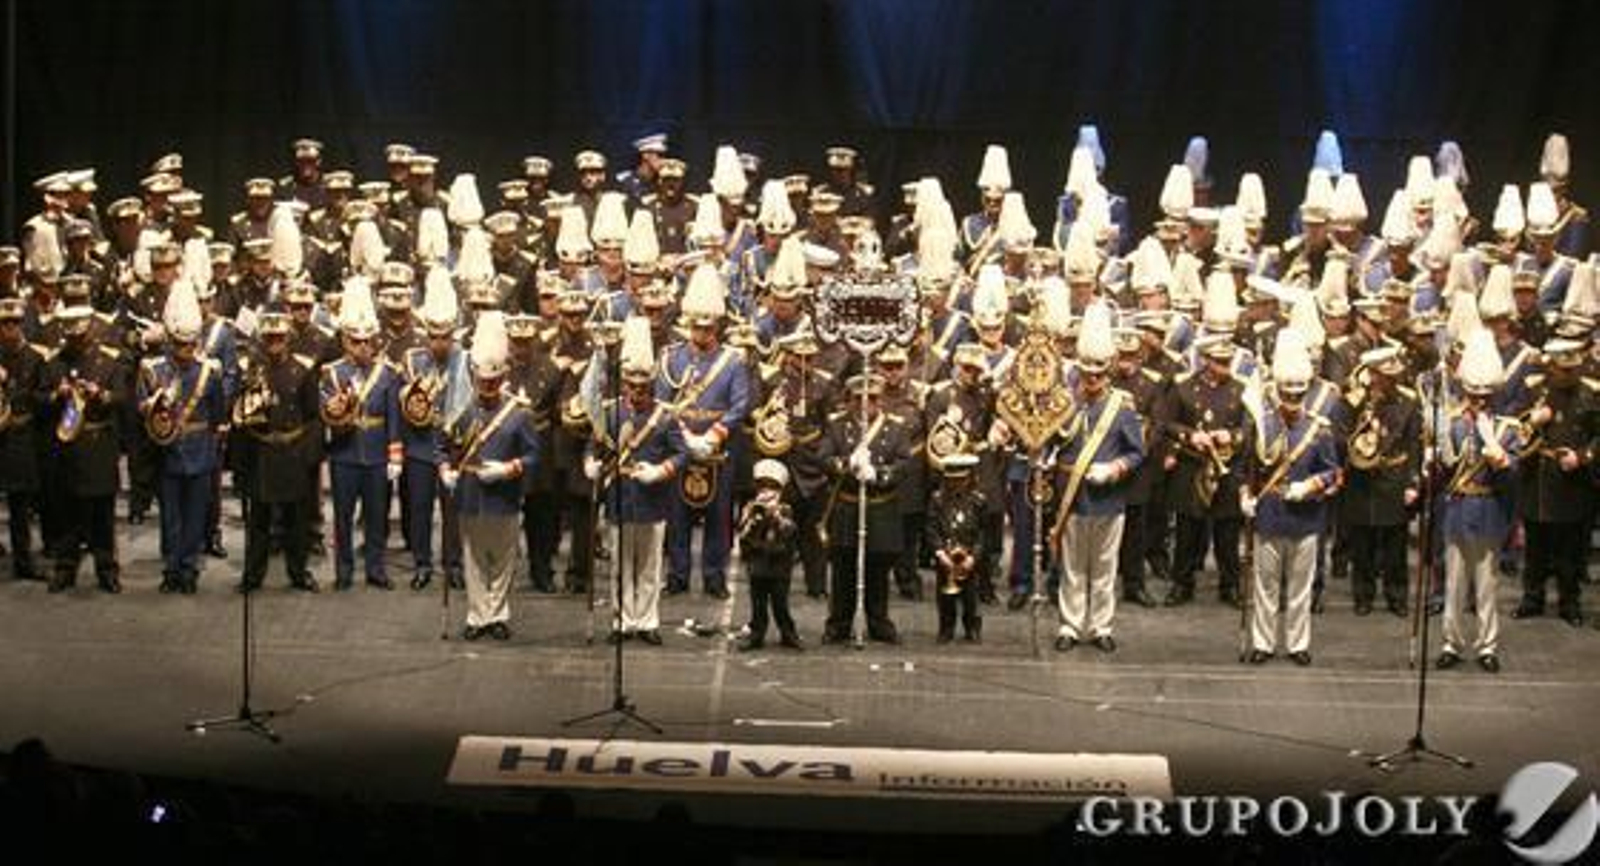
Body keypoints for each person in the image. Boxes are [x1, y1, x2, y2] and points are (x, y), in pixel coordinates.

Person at [439, 312, 540, 641]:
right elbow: (442, 447)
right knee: (473, 559)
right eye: (482, 381)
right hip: (469, 492)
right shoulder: (460, 409)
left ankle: (498, 613)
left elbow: (534, 454)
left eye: (493, 382)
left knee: (502, 559)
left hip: (504, 495)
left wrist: (509, 469)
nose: (487, 387)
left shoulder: (519, 413)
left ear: (503, 377)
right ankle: (477, 614)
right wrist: (445, 471)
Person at [1051, 302, 1145, 653]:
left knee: (1105, 569)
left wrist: (1114, 468)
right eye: (1086, 375)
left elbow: (1138, 452)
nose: (1091, 382)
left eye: (1098, 376)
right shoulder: (1066, 403)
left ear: (1108, 374)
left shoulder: (1123, 406)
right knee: (1072, 567)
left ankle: (1101, 625)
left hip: (1108, 499)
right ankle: (1070, 624)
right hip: (1072, 497)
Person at [1243, 332, 1340, 665]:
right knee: (1265, 587)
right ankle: (1263, 642)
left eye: (1299, 395)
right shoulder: (1262, 426)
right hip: (1270, 513)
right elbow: (1249, 469)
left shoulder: (1319, 429)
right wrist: (1246, 495)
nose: (1293, 402)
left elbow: (1333, 473)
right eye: (1287, 395)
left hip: (1305, 516)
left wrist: (1311, 485)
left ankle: (1298, 644)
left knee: (1300, 588)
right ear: (1277, 392)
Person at [588, 316, 684, 645]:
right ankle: (622, 620)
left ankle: (647, 620)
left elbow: (681, 453)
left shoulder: (665, 415)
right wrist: (591, 462)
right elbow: (596, 444)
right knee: (620, 566)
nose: (638, 393)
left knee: (649, 566)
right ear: (625, 383)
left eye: (644, 388)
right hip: (621, 495)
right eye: (633, 386)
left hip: (653, 499)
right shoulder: (612, 412)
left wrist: (661, 471)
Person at [658, 264, 750, 599]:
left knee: (719, 516)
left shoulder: (734, 361)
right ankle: (678, 575)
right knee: (677, 515)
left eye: (708, 329)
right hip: (681, 446)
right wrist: (685, 438)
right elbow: (662, 403)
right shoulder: (670, 358)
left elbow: (740, 406)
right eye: (697, 328)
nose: (702, 335)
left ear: (717, 326)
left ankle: (715, 576)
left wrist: (713, 435)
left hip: (719, 449)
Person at [1437, 329, 1523, 673]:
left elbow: (1514, 473)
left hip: (1488, 510)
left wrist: (1501, 458)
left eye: (1484, 397)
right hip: (1458, 509)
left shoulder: (1507, 428)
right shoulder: (1454, 424)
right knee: (1454, 584)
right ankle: (1451, 642)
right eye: (1473, 395)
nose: (1478, 402)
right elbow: (1445, 470)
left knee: (1487, 586)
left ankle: (1487, 645)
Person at [138, 279, 227, 594]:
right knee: (170, 517)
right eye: (178, 345)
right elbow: (141, 407)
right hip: (167, 450)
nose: (184, 352)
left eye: (190, 345)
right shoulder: (154, 369)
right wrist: (153, 404)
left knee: (194, 515)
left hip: (200, 450)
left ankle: (189, 568)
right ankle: (171, 568)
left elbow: (218, 414)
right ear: (169, 341)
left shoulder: (209, 372)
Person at [320, 278, 402, 591]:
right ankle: (343, 570)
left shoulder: (388, 373)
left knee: (377, 516)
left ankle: (376, 568)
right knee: (342, 517)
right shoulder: (332, 373)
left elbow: (394, 415)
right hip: (345, 453)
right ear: (344, 340)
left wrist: (395, 454)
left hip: (378, 453)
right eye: (356, 341)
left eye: (368, 341)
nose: (363, 347)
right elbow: (325, 412)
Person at [1511, 337, 1599, 627]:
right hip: (1538, 477)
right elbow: (1514, 428)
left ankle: (1569, 601)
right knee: (1536, 546)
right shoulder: (1536, 390)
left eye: (1573, 370)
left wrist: (1583, 456)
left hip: (1573, 480)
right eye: (1563, 370)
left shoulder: (1591, 394)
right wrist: (1532, 420)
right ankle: (1532, 597)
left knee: (1569, 550)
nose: (1568, 375)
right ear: (1553, 368)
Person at [819, 372, 910, 645]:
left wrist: (878, 474)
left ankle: (878, 622)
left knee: (877, 571)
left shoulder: (895, 428)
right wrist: (848, 465)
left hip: (880, 507)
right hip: (848, 506)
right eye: (859, 399)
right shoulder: (837, 426)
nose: (865, 404)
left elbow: (904, 464)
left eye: (871, 399)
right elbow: (823, 457)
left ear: (879, 400)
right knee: (844, 569)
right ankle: (839, 623)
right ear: (850, 400)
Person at [234, 311, 320, 592]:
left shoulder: (303, 370)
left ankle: (298, 572)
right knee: (258, 521)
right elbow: (240, 413)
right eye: (269, 338)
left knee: (296, 521)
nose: (275, 343)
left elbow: (312, 417)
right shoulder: (250, 370)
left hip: (293, 451)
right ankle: (252, 575)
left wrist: (311, 458)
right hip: (260, 452)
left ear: (289, 339)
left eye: (280, 338)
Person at [44, 306, 127, 593]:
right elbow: (38, 397)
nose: (77, 342)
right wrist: (58, 394)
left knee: (102, 514)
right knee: (68, 514)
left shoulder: (109, 363)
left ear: (90, 332)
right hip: (69, 447)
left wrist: (100, 395)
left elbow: (121, 397)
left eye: (81, 337)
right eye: (72, 338)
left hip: (98, 444)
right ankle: (66, 567)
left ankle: (106, 569)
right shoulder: (55, 364)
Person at [401, 270, 468, 591]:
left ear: (454, 335)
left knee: (453, 512)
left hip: (453, 447)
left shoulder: (465, 362)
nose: (439, 344)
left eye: (445, 337)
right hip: (420, 444)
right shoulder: (413, 360)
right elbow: (407, 405)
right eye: (434, 337)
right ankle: (422, 563)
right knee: (419, 509)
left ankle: (453, 564)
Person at [0, 298, 46, 581]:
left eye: (14, 323)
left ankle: (23, 560)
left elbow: (41, 397)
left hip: (20, 436)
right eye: (4, 324)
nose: (9, 329)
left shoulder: (35, 357)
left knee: (20, 504)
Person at [737, 459, 802, 652]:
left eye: (772, 487)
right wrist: (753, 518)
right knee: (758, 604)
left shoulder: (786, 509)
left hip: (779, 564)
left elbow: (791, 532)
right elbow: (742, 533)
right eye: (762, 486)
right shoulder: (750, 508)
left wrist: (776, 517)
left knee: (780, 603)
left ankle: (788, 634)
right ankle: (757, 634)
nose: (767, 491)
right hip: (758, 562)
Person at [927, 453, 985, 643]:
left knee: (971, 597)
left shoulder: (978, 502)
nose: (956, 485)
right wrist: (940, 553)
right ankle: (946, 627)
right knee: (945, 597)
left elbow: (984, 533)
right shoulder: (937, 500)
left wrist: (973, 557)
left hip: (969, 556)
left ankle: (972, 626)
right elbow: (931, 529)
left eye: (961, 480)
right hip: (946, 555)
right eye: (952, 480)